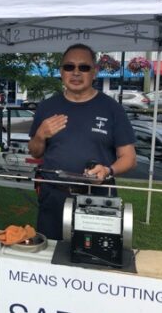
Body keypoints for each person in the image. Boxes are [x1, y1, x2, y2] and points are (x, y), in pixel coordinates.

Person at [28, 43, 136, 240]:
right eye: (69, 67)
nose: (76, 73)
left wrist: (108, 170)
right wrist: (39, 135)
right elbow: (35, 152)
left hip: (97, 198)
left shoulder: (112, 109)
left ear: (94, 72)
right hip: (54, 197)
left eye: (83, 67)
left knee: (93, 257)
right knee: (49, 257)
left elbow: (128, 157)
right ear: (61, 71)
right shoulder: (47, 107)